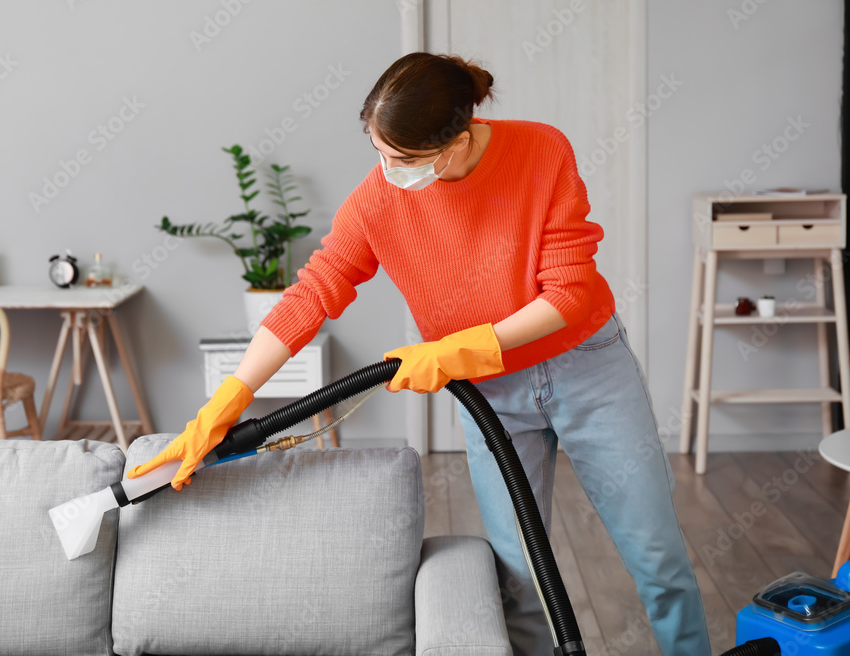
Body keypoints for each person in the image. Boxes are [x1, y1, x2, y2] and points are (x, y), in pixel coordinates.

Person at [128, 52, 711, 655]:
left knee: (656, 554)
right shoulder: (378, 198)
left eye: (403, 159)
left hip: (588, 367)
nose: (387, 170)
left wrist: (465, 347)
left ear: (459, 141)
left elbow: (570, 290)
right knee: (520, 573)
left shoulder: (541, 151)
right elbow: (314, 292)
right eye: (378, 152)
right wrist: (232, 395)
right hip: (492, 396)